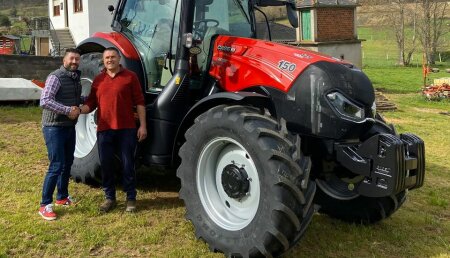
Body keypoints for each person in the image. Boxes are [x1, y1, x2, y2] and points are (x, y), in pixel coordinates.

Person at [80, 47, 147, 213]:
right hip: (104, 130)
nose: (110, 60)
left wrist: (143, 126)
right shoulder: (98, 80)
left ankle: (130, 198)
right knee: (106, 165)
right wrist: (78, 111)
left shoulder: (130, 77)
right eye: (107, 58)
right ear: (104, 60)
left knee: (127, 165)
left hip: (127, 129)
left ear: (119, 59)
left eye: (113, 57)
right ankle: (109, 197)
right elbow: (91, 103)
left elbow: (139, 102)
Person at [38, 48, 82, 221]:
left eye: (77, 59)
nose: (74, 62)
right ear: (64, 60)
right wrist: (67, 110)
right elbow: (45, 100)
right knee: (56, 164)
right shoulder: (56, 77)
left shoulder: (75, 78)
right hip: (53, 127)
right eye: (72, 58)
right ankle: (44, 204)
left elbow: (75, 98)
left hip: (68, 126)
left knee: (67, 162)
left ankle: (62, 197)